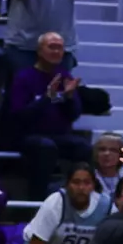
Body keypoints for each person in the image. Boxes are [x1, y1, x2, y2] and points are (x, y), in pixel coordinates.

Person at [6, 31, 91, 199]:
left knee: (84, 147)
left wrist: (69, 98)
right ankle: (37, 199)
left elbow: (74, 115)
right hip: (28, 136)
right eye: (52, 47)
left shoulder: (65, 77)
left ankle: (77, 196)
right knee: (45, 148)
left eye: (60, 48)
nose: (56, 52)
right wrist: (46, 98)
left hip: (58, 136)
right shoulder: (24, 77)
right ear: (39, 51)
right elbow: (19, 116)